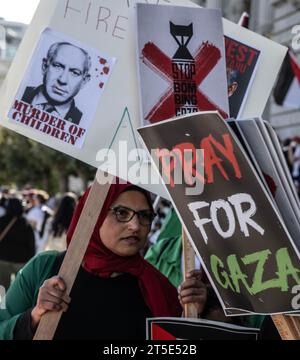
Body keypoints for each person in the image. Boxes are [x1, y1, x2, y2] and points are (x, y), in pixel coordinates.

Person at [0, 180, 206, 340]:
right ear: (93, 215)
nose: (136, 225)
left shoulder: (156, 287)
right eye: (122, 213)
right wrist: (34, 317)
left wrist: (193, 316)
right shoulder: (46, 268)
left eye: (144, 216)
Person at [21, 41, 91, 125]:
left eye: (74, 73)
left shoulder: (83, 121)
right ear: (44, 66)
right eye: (58, 66)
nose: (63, 80)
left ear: (84, 81)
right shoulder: (19, 93)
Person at [0, 198, 35, 290]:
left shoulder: (1, 220)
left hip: (3, 258)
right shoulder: (25, 223)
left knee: (3, 287)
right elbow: (31, 244)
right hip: (21, 260)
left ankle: (3, 303)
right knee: (19, 288)